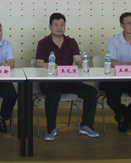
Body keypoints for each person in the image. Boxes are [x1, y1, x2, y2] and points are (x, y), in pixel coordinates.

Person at [35, 12, 99, 141]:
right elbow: (38, 62)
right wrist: (47, 65)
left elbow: (77, 60)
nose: (59, 27)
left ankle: (86, 125)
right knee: (53, 94)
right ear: (50, 26)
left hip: (68, 80)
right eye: (56, 25)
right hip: (50, 81)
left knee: (91, 92)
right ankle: (51, 128)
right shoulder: (43, 42)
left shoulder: (71, 42)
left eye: (62, 25)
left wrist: (81, 63)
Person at [99, 12, 131, 132]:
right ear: (121, 25)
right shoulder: (114, 40)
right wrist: (127, 65)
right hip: (115, 78)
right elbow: (112, 62)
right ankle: (124, 117)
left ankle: (123, 118)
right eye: (128, 23)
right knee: (112, 100)